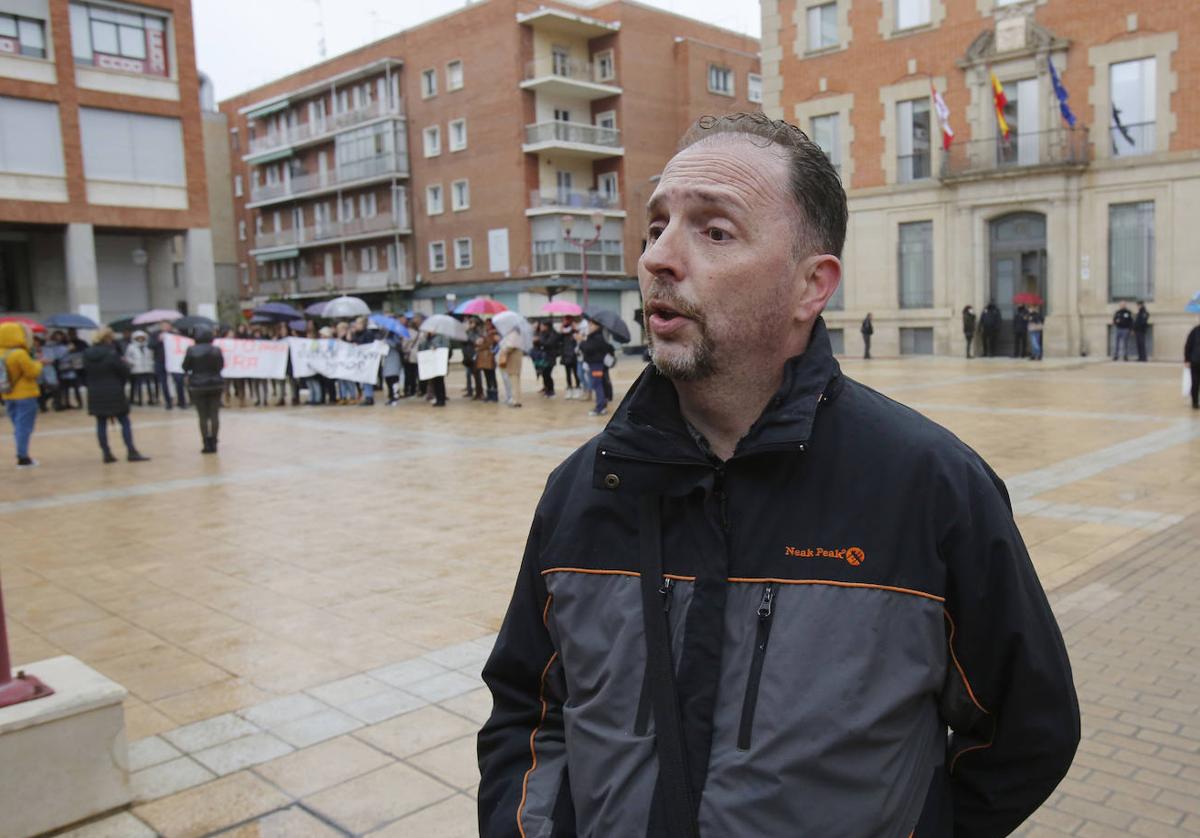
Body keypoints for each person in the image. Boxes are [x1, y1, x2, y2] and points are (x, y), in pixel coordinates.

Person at [478, 113, 1079, 837]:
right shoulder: (582, 490)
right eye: (657, 226)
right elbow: (528, 713)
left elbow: (1028, 729)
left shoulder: (930, 488)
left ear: (810, 286)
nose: (659, 258)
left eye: (714, 231)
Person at [84, 328, 150, 464]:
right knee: (124, 421)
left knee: (101, 423)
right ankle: (131, 451)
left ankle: (106, 453)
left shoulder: (86, 353)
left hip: (95, 391)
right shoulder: (111, 353)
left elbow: (83, 372)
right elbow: (123, 371)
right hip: (114, 389)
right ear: (107, 338)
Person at [1, 321, 42, 468]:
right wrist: (38, 363)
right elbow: (33, 372)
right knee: (24, 427)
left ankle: (21, 452)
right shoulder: (19, 354)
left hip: (7, 393)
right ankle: (23, 457)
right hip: (25, 394)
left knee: (18, 426)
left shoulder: (1, 352)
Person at [183, 327, 226, 453]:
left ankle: (206, 442)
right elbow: (221, 365)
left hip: (198, 385)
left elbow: (185, 366)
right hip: (216, 384)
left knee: (202, 416)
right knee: (214, 414)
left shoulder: (191, 350)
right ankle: (214, 440)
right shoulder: (216, 350)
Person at [579, 319, 614, 416]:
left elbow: (588, 348)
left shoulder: (598, 337)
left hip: (596, 365)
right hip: (595, 364)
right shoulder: (596, 336)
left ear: (597, 326)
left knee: (597, 384)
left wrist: (581, 341)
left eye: (591, 325)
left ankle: (600, 407)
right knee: (599, 384)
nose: (589, 327)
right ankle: (602, 406)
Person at [152, 320, 188, 410]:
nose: (165, 327)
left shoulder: (174, 334)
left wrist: (177, 335)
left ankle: (181, 401)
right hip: (160, 361)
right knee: (164, 383)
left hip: (174, 362)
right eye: (163, 325)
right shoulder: (155, 334)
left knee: (179, 381)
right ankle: (168, 402)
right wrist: (159, 340)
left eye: (167, 325)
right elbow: (150, 345)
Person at [124, 330, 156, 405]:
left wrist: (151, 363)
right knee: (137, 385)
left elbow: (152, 355)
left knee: (149, 385)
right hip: (136, 369)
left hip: (148, 368)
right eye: (138, 338)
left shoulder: (148, 346)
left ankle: (151, 399)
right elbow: (127, 357)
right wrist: (132, 363)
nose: (140, 339)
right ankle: (139, 400)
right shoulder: (131, 347)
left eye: (142, 338)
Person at [498, 326, 524, 407]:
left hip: (513, 360)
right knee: (515, 380)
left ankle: (516, 400)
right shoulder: (515, 334)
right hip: (514, 359)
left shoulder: (514, 334)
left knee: (514, 380)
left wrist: (503, 351)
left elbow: (511, 346)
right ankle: (517, 399)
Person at [476, 321, 499, 402]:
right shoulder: (484, 334)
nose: (486, 326)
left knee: (492, 377)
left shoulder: (493, 334)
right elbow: (479, 343)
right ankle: (489, 395)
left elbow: (489, 344)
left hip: (490, 357)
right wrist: (479, 341)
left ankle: (494, 396)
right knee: (487, 377)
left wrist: (480, 346)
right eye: (485, 324)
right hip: (484, 358)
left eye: (488, 324)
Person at [559, 318, 581, 398]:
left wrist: (575, 329)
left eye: (566, 320)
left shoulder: (574, 331)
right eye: (563, 320)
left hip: (574, 355)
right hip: (566, 355)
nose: (564, 322)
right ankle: (569, 388)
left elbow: (579, 340)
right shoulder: (563, 332)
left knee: (576, 373)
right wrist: (561, 329)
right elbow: (559, 340)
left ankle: (578, 388)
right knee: (568, 373)